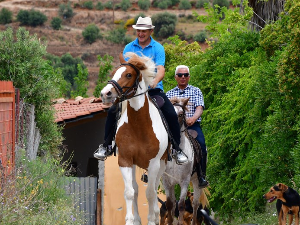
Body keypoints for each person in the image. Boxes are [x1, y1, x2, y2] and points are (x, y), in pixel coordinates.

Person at [94, 17, 188, 165]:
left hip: (153, 90)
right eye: (138, 31)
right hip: (131, 93)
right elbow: (125, 71)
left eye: (144, 31)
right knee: (112, 111)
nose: (141, 34)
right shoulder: (129, 48)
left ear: (150, 31)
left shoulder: (158, 48)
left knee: (170, 113)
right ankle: (106, 146)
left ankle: (176, 149)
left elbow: (161, 70)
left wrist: (154, 82)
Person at [166, 65, 209, 188]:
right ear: (176, 77)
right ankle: (153, 173)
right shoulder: (169, 94)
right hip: (174, 128)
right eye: (180, 75)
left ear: (189, 77)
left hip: (192, 126)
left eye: (185, 75)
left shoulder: (196, 91)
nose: (183, 77)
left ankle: (201, 176)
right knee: (160, 144)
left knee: (202, 145)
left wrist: (193, 118)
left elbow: (200, 107)